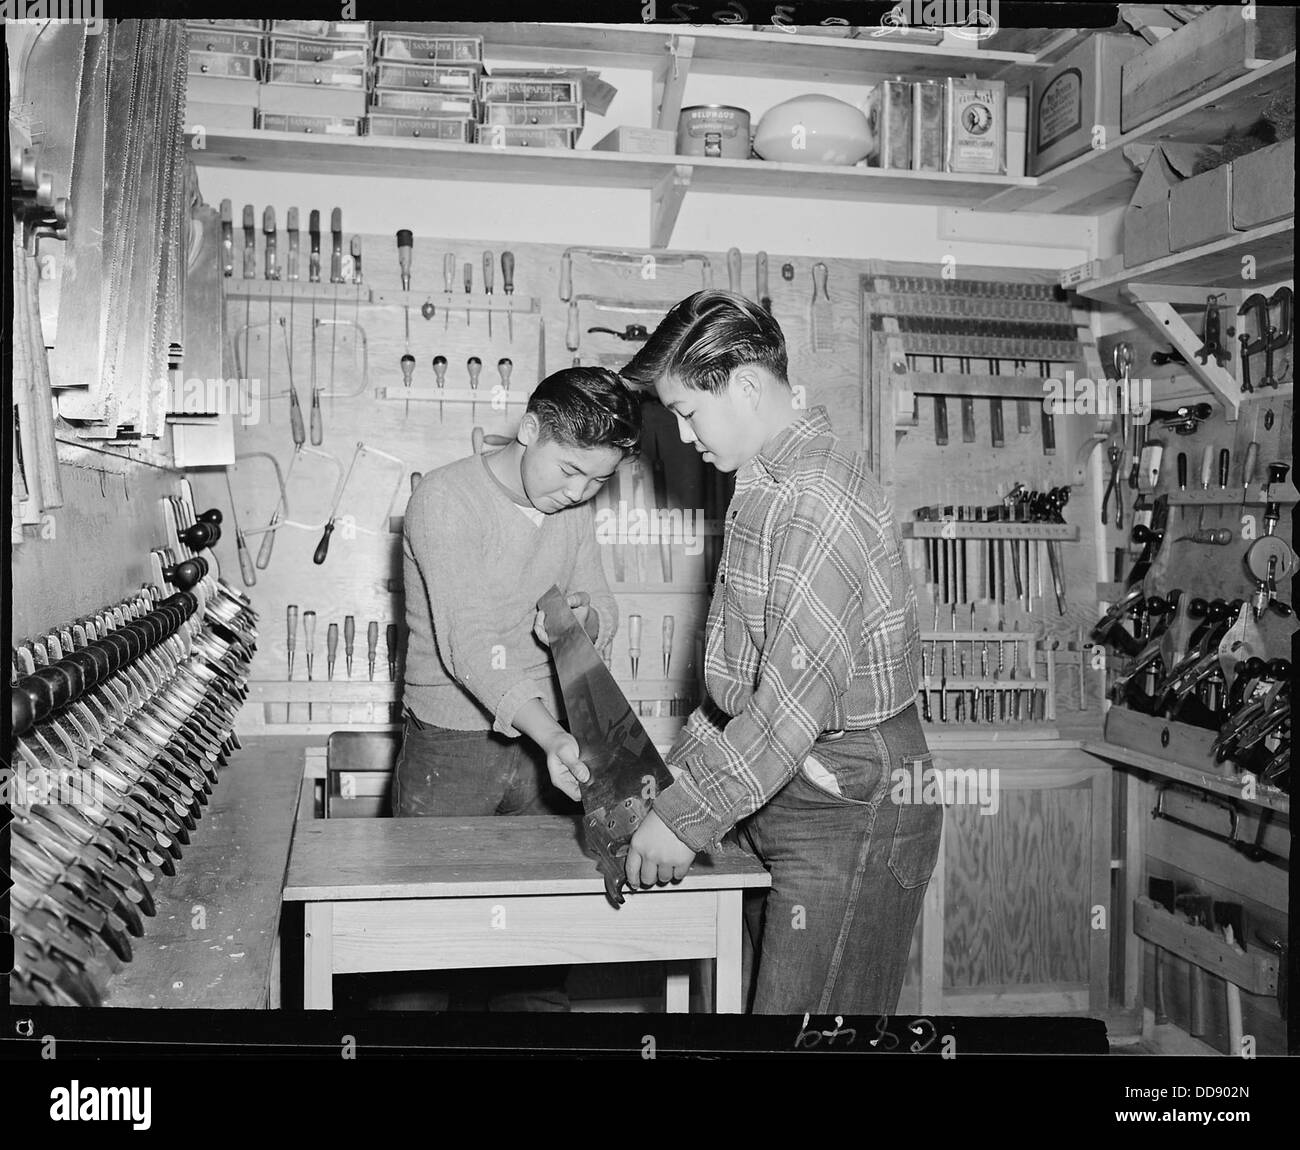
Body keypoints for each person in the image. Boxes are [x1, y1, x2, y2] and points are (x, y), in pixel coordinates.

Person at [583, 289, 942, 1015]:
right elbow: (737, 690)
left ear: (746, 386)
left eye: (688, 411)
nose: (683, 436)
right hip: (784, 782)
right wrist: (664, 792)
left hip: (849, 796)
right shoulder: (763, 485)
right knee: (754, 1020)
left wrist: (683, 819)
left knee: (807, 1041)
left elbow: (788, 709)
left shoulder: (816, 494)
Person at [392, 365, 641, 1010]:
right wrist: (555, 737)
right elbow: (470, 647)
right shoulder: (444, 498)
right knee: (419, 965)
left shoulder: (572, 509)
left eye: (599, 480)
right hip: (452, 748)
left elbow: (603, 605)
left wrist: (584, 620)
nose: (580, 492)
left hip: (546, 753)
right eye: (570, 470)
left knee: (535, 961)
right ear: (530, 429)